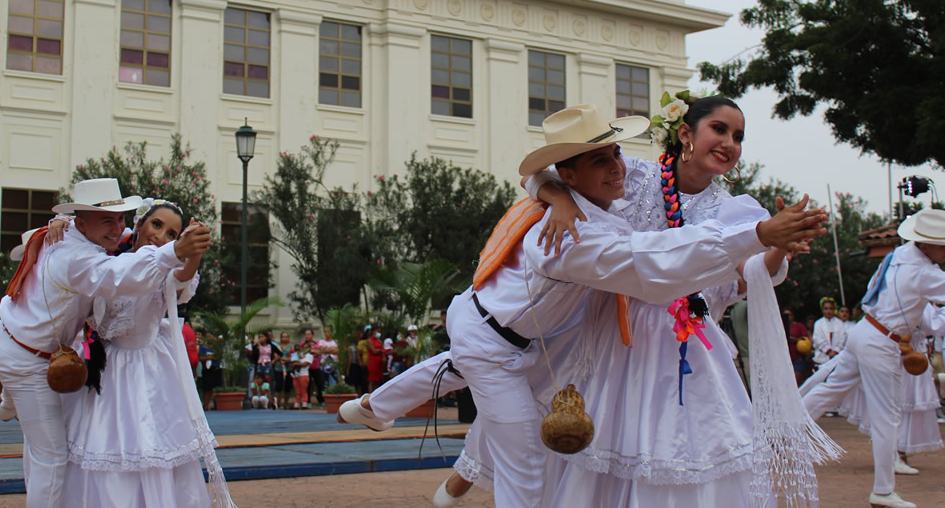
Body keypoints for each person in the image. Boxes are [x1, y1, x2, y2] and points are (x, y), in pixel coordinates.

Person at [339, 103, 826, 508]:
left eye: (738, 135)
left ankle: (373, 409)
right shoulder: (593, 212)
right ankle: (450, 471)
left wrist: (774, 245)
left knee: (496, 383)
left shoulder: (722, 206)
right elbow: (639, 258)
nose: (729, 143)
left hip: (625, 327)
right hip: (582, 321)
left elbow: (741, 273)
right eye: (719, 129)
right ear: (685, 133)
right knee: (528, 439)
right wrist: (558, 197)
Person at [0, 178, 210, 507]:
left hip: (30, 343)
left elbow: (175, 277)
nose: (116, 226)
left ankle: (12, 399)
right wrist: (174, 250)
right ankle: (14, 396)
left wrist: (58, 222)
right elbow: (115, 275)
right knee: (52, 455)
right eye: (107, 219)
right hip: (32, 357)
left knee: (110, 447)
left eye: (120, 218)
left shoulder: (90, 240)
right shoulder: (83, 257)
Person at [59, 198, 234, 508]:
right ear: (138, 224)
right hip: (104, 371)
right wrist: (62, 227)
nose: (160, 236)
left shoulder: (165, 269)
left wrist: (191, 253)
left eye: (171, 234)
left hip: (148, 374)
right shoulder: (106, 258)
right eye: (156, 225)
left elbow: (181, 279)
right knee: (102, 449)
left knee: (150, 452)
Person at [803, 209, 945, 508]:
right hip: (882, 341)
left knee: (828, 391)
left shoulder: (898, 254)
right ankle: (882, 491)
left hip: (866, 330)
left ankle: (774, 437)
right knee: (887, 418)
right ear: (926, 244)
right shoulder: (923, 272)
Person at [813, 297, 847, 367]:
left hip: (837, 357)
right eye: (826, 309)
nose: (828, 311)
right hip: (822, 358)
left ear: (834, 310)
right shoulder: (818, 323)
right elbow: (817, 339)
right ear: (822, 310)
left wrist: (835, 351)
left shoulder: (840, 323)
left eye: (831, 309)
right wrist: (828, 351)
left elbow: (843, 339)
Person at [290, 343, 314, 409]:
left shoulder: (309, 356)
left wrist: (296, 364)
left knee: (303, 390)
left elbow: (305, 364)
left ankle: (304, 403)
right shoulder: (299, 355)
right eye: (303, 347)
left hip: (304, 374)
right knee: (297, 391)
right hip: (296, 375)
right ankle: (297, 403)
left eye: (307, 347)